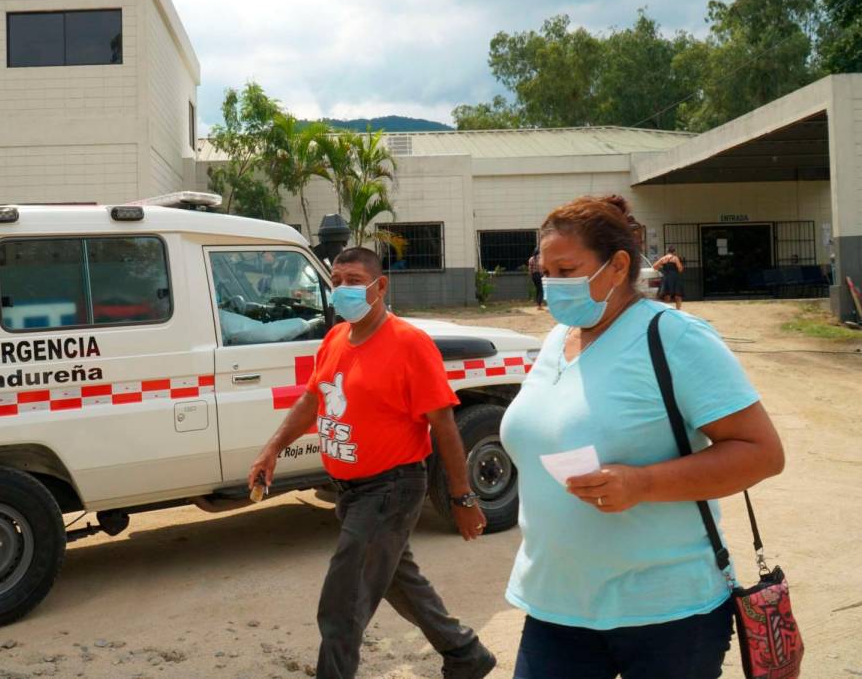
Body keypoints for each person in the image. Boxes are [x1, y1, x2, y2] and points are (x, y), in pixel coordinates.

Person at [499, 195, 785, 679]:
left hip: (667, 615)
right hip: (556, 604)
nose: (551, 287)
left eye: (567, 271)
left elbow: (762, 453)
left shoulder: (674, 337)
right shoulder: (556, 339)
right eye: (545, 271)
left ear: (618, 266)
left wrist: (642, 484)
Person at [248, 246, 496, 679]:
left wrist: (462, 496)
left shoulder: (409, 344)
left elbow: (445, 425)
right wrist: (272, 448)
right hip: (351, 490)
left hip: (390, 489)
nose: (343, 289)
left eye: (354, 281)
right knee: (400, 581)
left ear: (380, 286)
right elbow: (312, 400)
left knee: (341, 605)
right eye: (337, 280)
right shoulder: (335, 339)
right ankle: (465, 654)